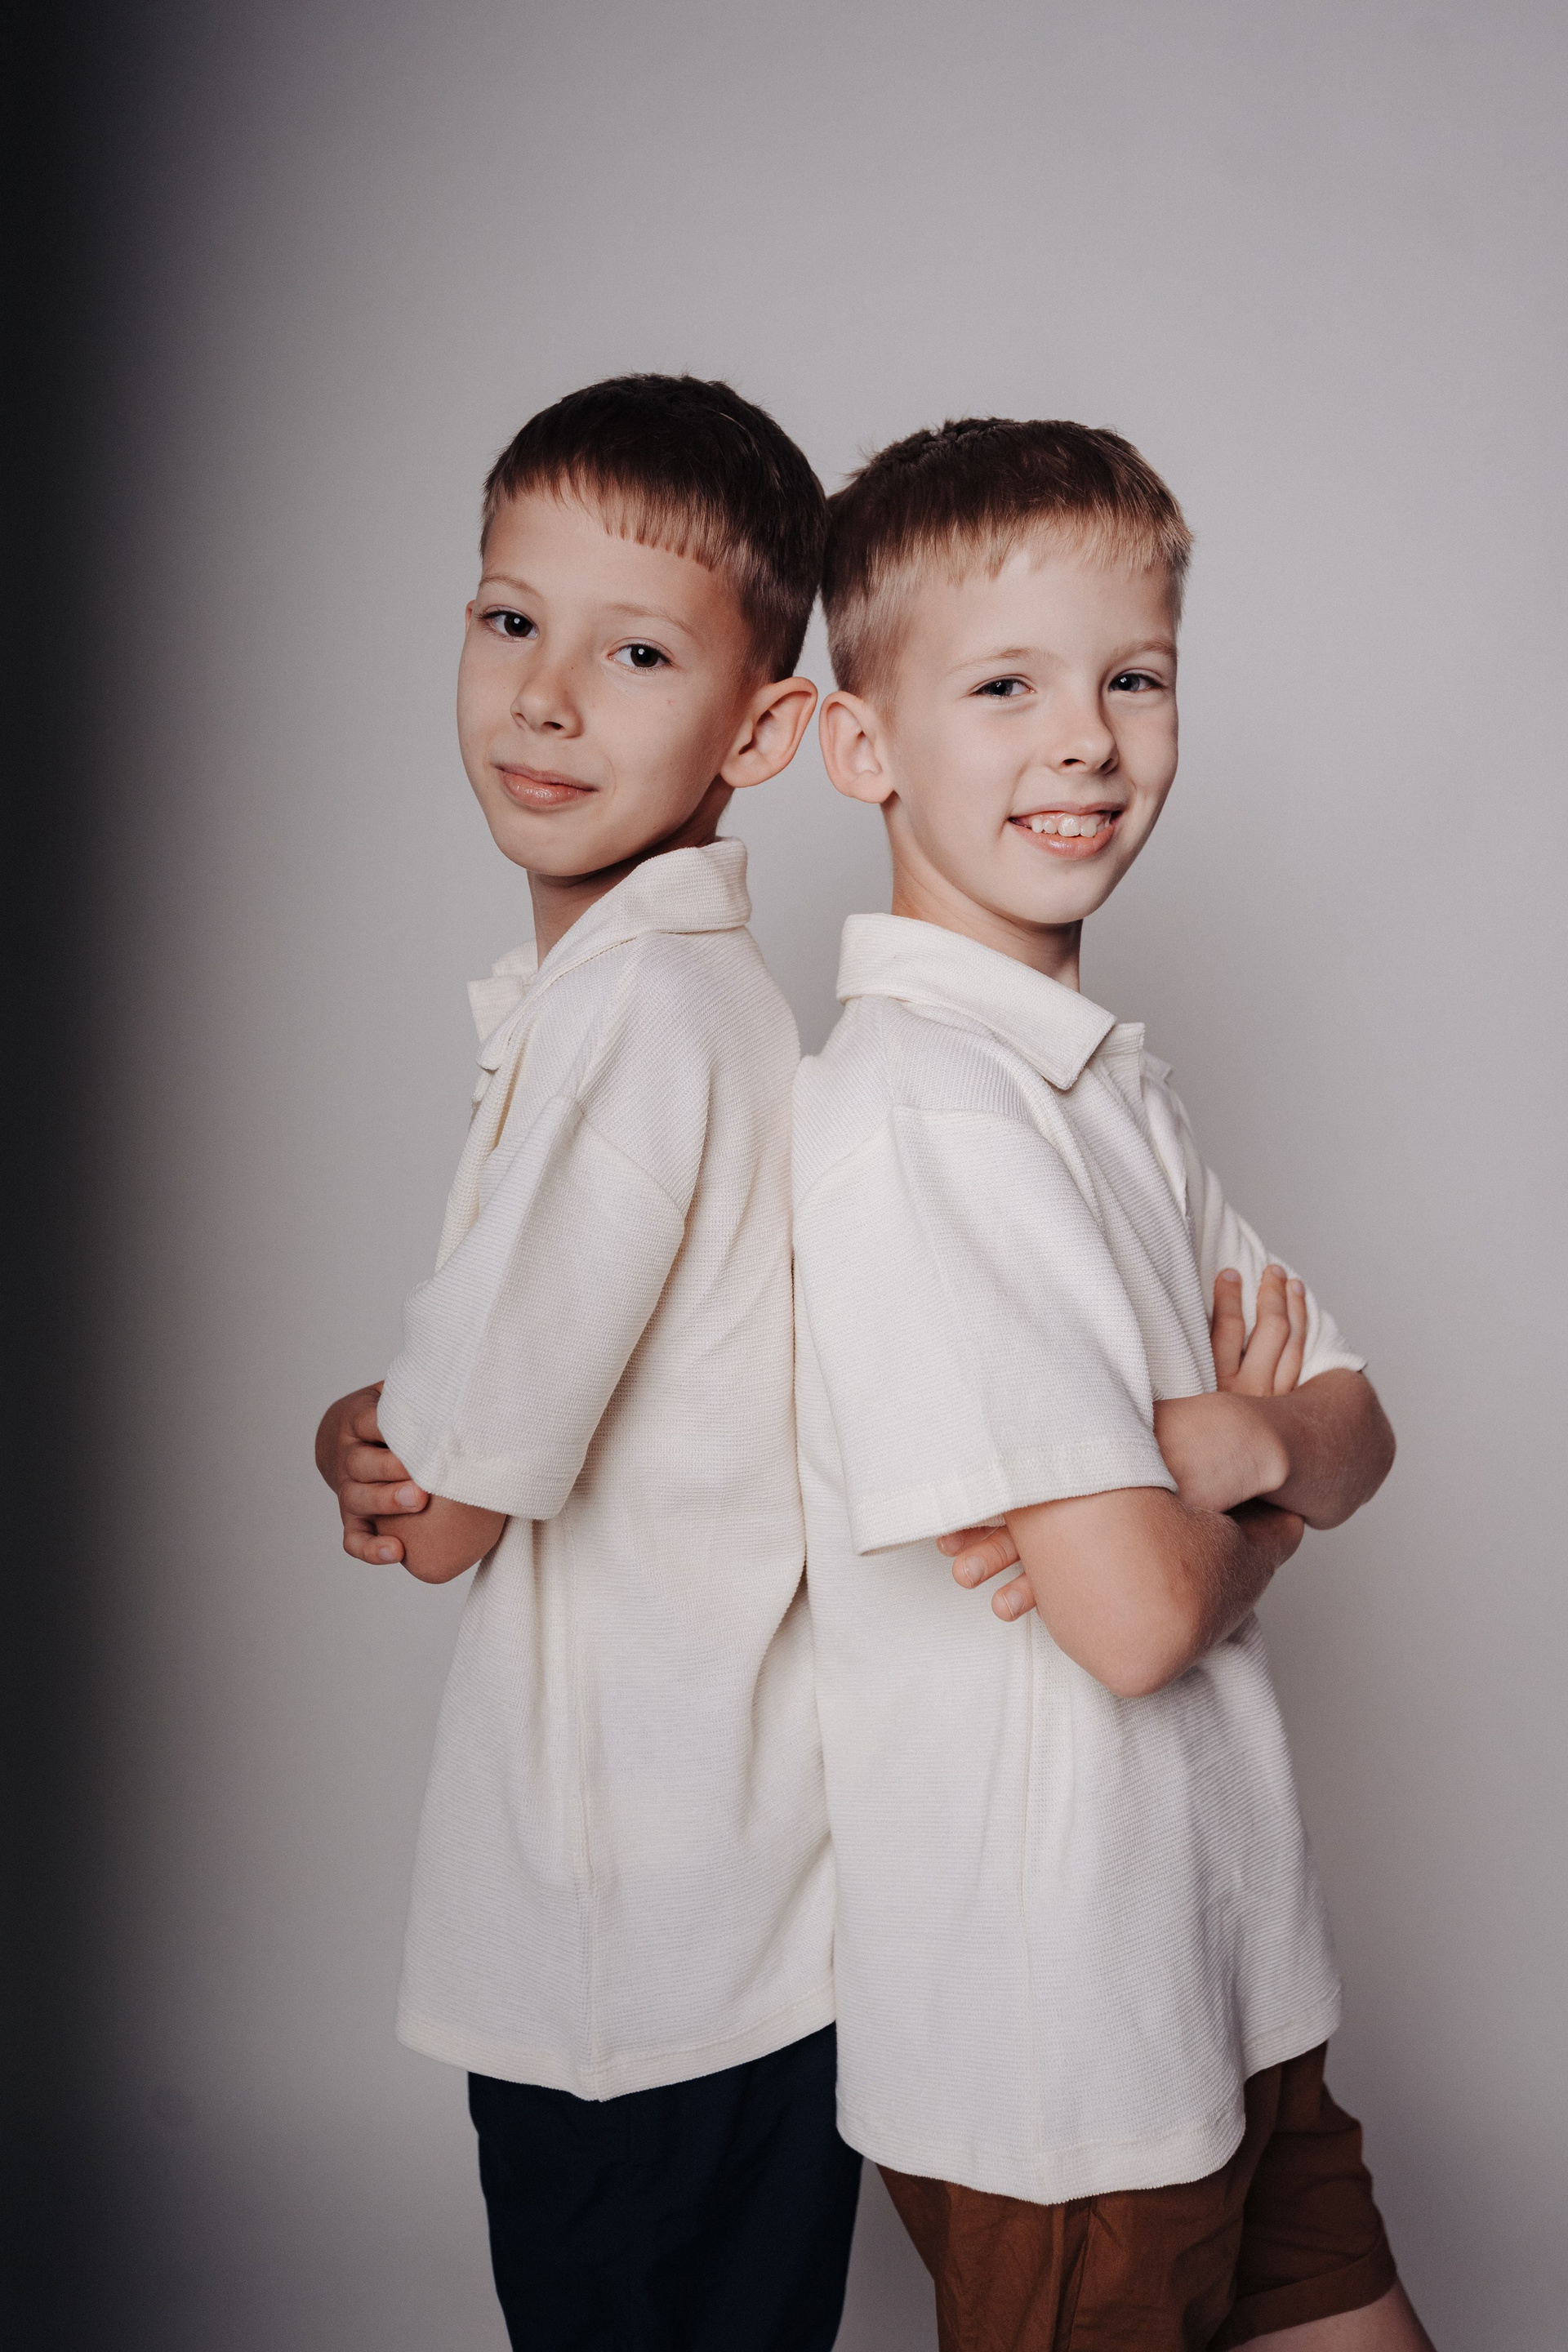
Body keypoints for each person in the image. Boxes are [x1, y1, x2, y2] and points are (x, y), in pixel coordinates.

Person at [791, 416, 1435, 2349]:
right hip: (1064, 2057)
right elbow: (1140, 1622)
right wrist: (1267, 1515)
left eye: (1131, 679)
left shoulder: (1098, 1083)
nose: (1084, 739)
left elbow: (1361, 1427)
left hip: (1231, 1977)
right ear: (863, 746)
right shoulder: (925, 1113)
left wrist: (1232, 1443)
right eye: (1006, 687)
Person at [314, 375, 862, 2351]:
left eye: (635, 653)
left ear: (761, 731)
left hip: (635, 1954)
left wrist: (358, 1431)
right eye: (509, 618)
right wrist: (411, 1428)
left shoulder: (636, 1023)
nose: (545, 695)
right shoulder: (678, 1000)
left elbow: (443, 1514)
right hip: (741, 1920)